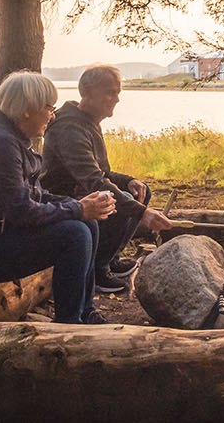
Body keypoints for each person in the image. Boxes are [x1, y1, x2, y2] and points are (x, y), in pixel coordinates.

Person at [0, 71, 117, 325]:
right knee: (74, 234)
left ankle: (84, 312)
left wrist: (79, 206)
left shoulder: (10, 138)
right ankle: (69, 323)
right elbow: (22, 211)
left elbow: (35, 196)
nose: (52, 115)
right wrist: (77, 209)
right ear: (26, 110)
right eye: (49, 108)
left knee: (87, 223)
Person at [42, 64, 173, 293]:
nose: (117, 99)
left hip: (84, 189)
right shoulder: (69, 129)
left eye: (118, 92)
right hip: (62, 199)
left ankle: (110, 258)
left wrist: (129, 180)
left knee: (139, 190)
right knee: (118, 199)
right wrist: (142, 213)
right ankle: (97, 269)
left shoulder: (89, 120)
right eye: (110, 93)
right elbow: (94, 181)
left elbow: (102, 172)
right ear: (88, 92)